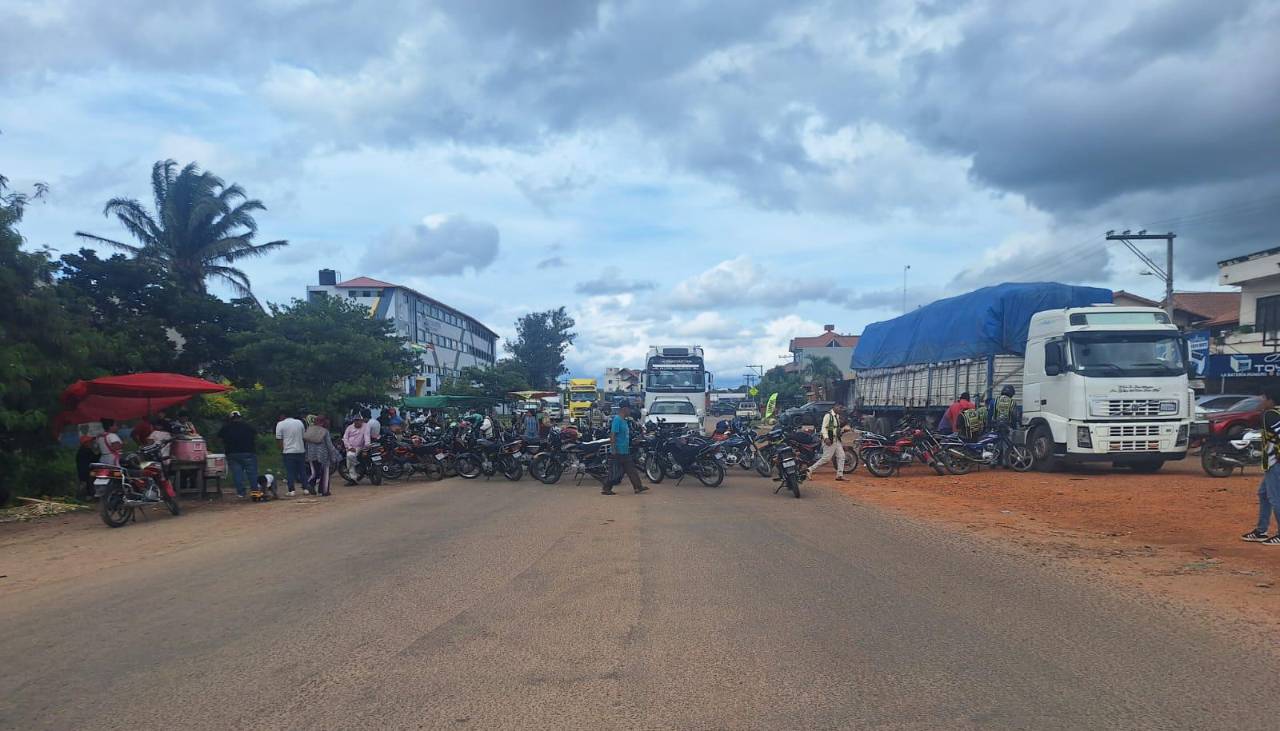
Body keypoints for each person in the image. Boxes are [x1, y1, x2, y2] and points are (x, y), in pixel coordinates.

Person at [1243, 390, 1280, 545]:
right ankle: (1261, 530)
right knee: (1263, 494)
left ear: (1270, 399)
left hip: (1275, 462)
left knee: (1275, 497)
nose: (1260, 399)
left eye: (1263, 397)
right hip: (1271, 462)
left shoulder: (1270, 414)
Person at [605, 402, 646, 496]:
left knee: (631, 469)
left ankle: (638, 487)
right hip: (618, 450)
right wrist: (614, 448)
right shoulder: (617, 420)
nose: (630, 411)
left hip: (625, 449)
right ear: (624, 409)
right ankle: (606, 487)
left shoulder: (624, 420)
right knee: (616, 472)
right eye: (629, 409)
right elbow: (613, 435)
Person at [217, 411, 258, 499]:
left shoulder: (226, 428)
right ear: (240, 417)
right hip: (248, 452)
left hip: (232, 454)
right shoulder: (247, 426)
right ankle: (255, 492)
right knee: (252, 473)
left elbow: (219, 439)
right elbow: (255, 435)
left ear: (230, 419)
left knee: (237, 474)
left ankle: (241, 493)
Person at [808, 403, 848, 481]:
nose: (841, 409)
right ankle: (810, 469)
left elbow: (835, 429)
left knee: (842, 456)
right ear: (834, 407)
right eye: (840, 407)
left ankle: (839, 475)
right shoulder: (828, 416)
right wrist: (826, 438)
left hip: (836, 440)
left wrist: (842, 430)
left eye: (841, 408)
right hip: (830, 440)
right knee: (826, 458)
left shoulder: (837, 416)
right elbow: (824, 428)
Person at [304, 416, 341, 497]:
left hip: (311, 454)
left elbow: (306, 444)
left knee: (314, 472)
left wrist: (306, 455)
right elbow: (329, 445)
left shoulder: (309, 429)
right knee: (325, 473)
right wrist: (334, 457)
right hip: (323, 455)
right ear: (323, 422)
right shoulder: (325, 431)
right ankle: (324, 491)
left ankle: (309, 484)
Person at [274, 411, 307, 496]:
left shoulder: (280, 424)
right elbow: (304, 437)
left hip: (288, 451)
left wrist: (282, 450)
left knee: (290, 471)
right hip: (300, 450)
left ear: (282, 415)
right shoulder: (299, 422)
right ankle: (305, 488)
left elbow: (279, 439)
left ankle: (291, 490)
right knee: (302, 470)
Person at [342, 414, 370, 485]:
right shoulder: (349, 427)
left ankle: (357, 469)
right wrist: (349, 447)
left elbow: (367, 437)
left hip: (360, 447)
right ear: (353, 421)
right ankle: (354, 475)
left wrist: (366, 448)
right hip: (351, 447)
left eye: (359, 420)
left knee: (350, 458)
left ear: (362, 421)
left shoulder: (365, 426)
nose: (357, 422)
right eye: (356, 420)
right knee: (349, 459)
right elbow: (345, 438)